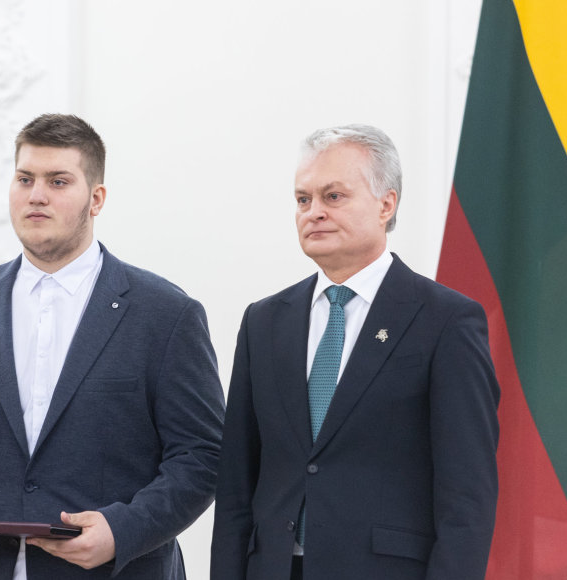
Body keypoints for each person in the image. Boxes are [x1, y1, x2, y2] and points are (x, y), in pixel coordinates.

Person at [0, 113, 226, 579]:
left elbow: (202, 456)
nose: (37, 195)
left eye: (58, 180)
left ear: (96, 198)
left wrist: (122, 529)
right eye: (25, 178)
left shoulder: (165, 314)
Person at [211, 125, 500, 580]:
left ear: (386, 204)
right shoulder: (264, 321)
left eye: (334, 196)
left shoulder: (445, 320)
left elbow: (467, 497)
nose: (314, 212)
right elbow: (235, 488)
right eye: (303, 200)